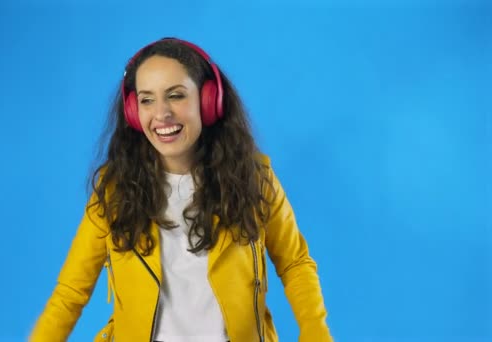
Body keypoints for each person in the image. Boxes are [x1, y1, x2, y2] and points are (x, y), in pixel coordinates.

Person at [30, 37, 332, 342]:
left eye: (175, 96)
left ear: (208, 101)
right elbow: (71, 292)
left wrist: (316, 334)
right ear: (133, 112)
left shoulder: (255, 179)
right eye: (147, 99)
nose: (161, 114)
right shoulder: (114, 189)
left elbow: (295, 264)